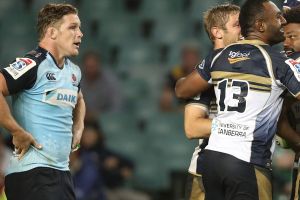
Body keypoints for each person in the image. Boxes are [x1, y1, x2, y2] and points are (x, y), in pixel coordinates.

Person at [179, 0, 300, 199]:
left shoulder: (217, 57)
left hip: (212, 160)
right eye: (278, 17)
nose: (283, 21)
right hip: (247, 160)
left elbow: (182, 90)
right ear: (260, 25)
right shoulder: (278, 62)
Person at [0, 3, 85, 200]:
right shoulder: (33, 64)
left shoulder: (73, 72)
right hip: (32, 174)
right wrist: (16, 131)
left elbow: (79, 98)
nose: (80, 33)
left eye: (79, 27)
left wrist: (79, 126)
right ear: (52, 32)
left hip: (61, 173)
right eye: (73, 27)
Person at [183, 4, 241, 200]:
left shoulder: (258, 67)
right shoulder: (206, 74)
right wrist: (241, 127)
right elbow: (192, 128)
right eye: (238, 24)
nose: (245, 29)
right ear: (217, 32)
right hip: (205, 172)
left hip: (248, 166)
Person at [80, 51, 123, 118]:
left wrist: (99, 115)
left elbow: (117, 106)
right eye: (88, 67)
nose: (90, 70)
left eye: (93, 66)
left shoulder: (110, 80)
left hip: (105, 119)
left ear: (99, 65)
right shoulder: (77, 80)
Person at [159, 44, 201, 111]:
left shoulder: (204, 75)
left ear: (197, 58)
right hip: (178, 111)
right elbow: (165, 100)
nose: (189, 61)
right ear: (183, 58)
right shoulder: (174, 74)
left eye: (192, 57)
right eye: (187, 57)